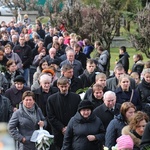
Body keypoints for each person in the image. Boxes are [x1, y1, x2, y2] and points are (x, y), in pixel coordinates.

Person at [46, 77, 81, 149]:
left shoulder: (76, 97)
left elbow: (79, 113)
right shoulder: (52, 99)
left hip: (73, 131)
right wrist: (61, 128)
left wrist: (70, 127)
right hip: (58, 132)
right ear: (58, 86)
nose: (64, 89)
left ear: (68, 85)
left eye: (65, 86)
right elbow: (50, 116)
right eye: (62, 87)